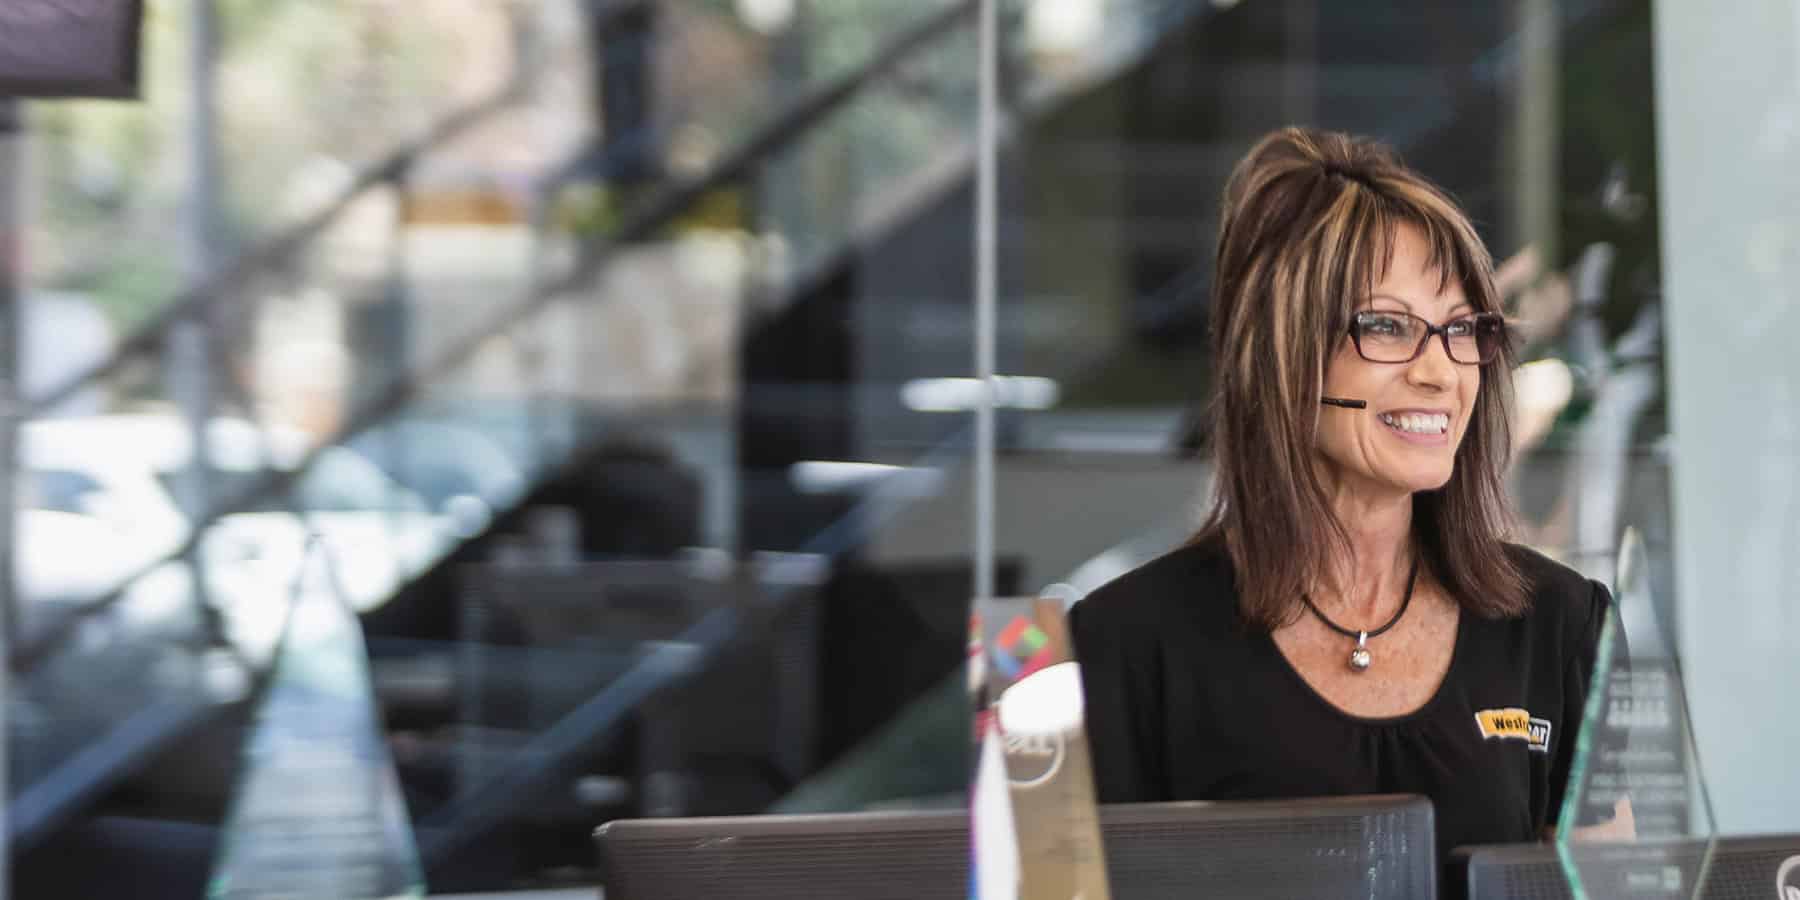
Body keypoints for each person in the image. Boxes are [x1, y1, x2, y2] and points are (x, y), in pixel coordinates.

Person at [1068, 127, 1626, 857]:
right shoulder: (1123, 645)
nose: (1441, 372)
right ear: (1283, 353)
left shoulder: (1559, 623)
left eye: (1462, 329)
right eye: (1389, 327)